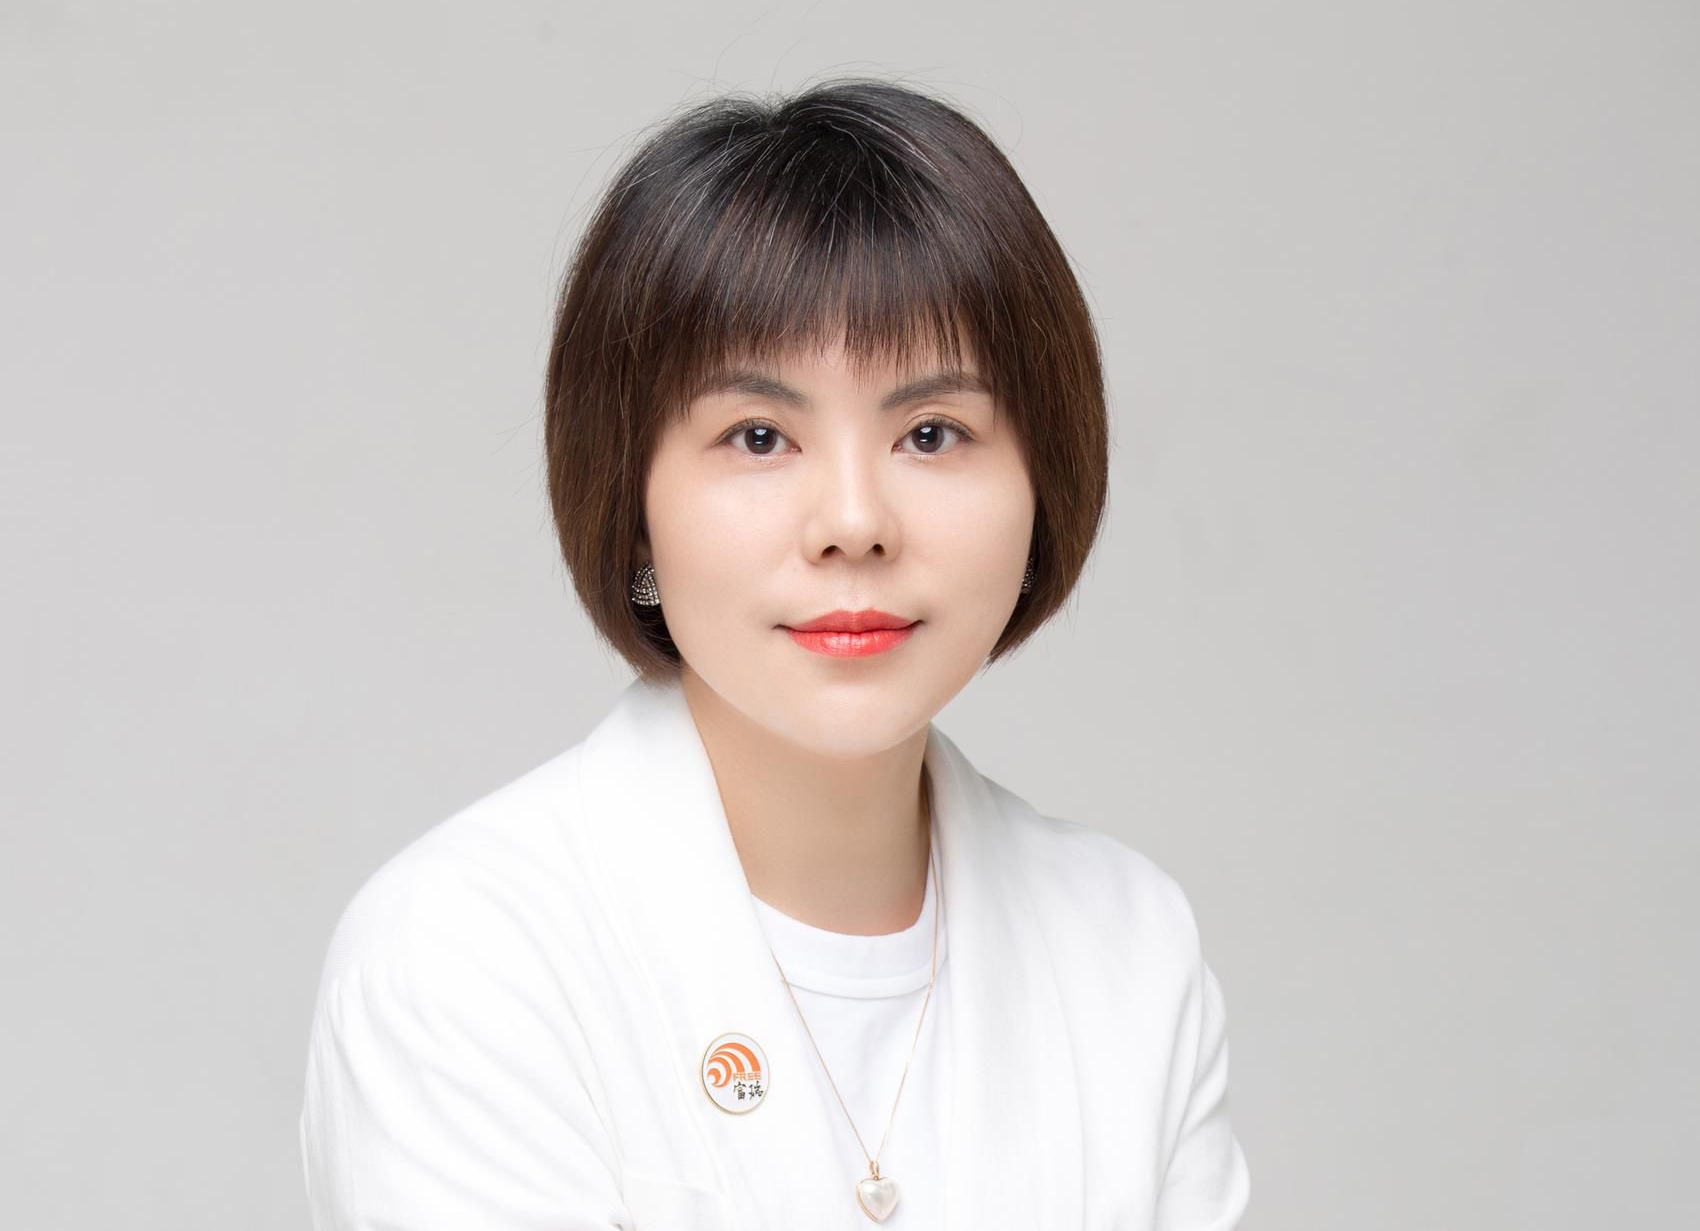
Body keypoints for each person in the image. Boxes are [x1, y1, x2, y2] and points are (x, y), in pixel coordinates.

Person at [299, 78, 1250, 1230]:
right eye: (758, 436)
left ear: (1042, 482)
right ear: (632, 505)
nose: (852, 520)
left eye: (931, 432)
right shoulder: (465, 957)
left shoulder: (1125, 946)